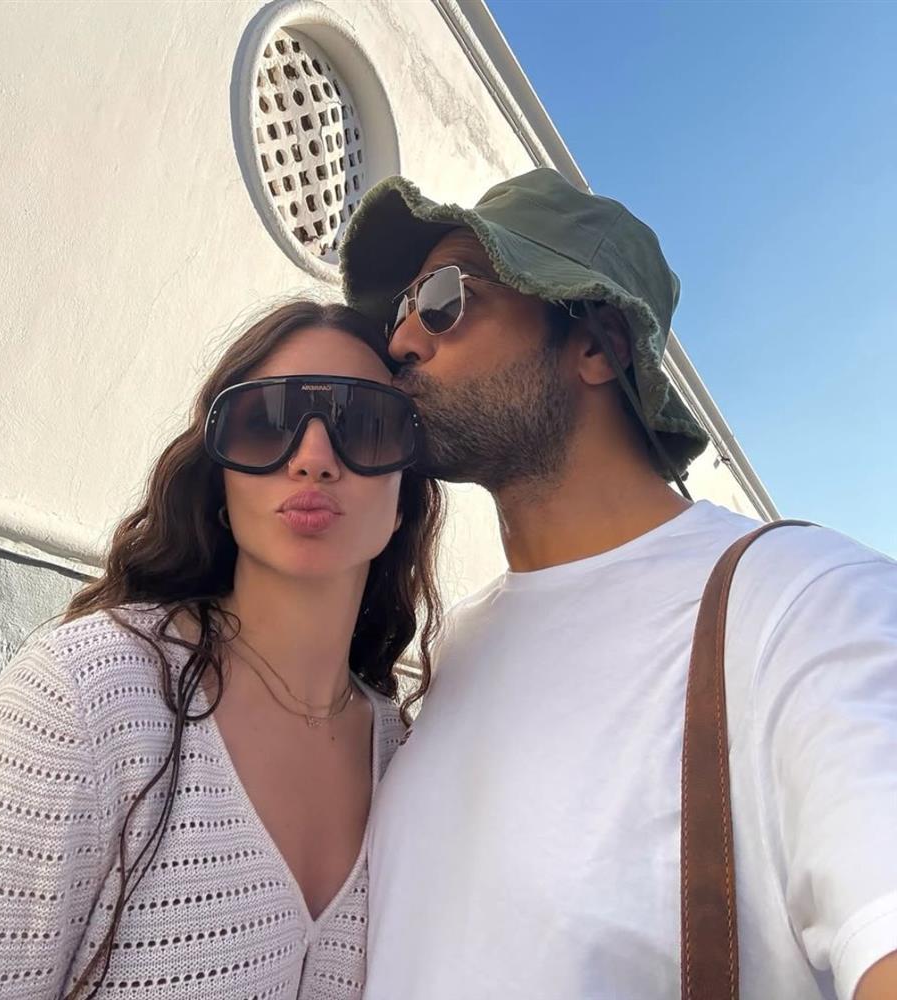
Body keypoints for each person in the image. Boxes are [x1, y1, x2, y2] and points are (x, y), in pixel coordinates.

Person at [338, 168, 897, 1000]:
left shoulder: (803, 606)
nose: (404, 342)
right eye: (402, 313)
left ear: (598, 345)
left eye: (447, 299)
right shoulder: (459, 643)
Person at [0, 301, 444, 1000]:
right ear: (220, 480)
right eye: (265, 424)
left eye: (364, 425)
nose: (313, 460)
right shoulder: (90, 690)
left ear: (404, 501)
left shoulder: (404, 758)